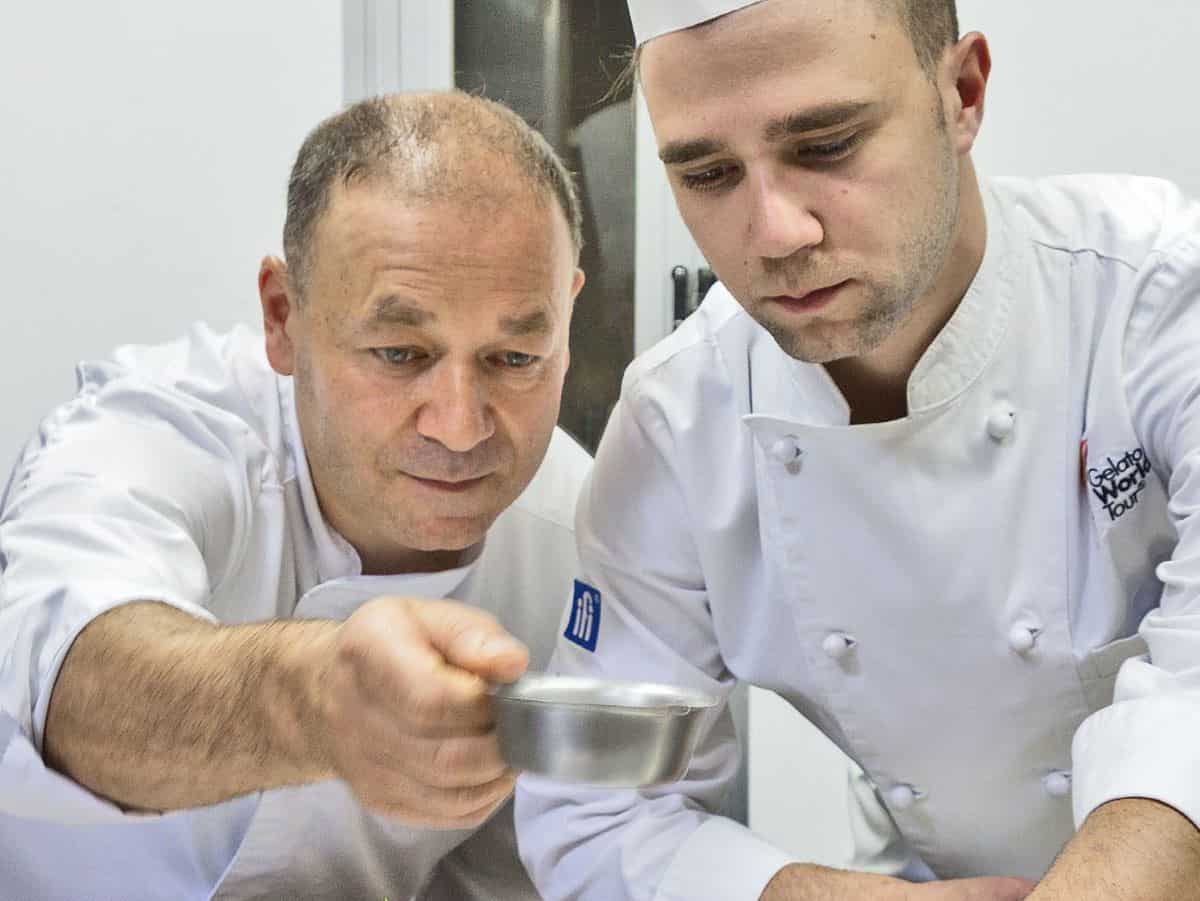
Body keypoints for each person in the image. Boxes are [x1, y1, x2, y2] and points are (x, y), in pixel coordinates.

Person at [515, 1, 1200, 899]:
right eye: (709, 172)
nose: (776, 235)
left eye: (826, 145)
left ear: (962, 93)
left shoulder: (1155, 300)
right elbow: (590, 805)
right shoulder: (680, 425)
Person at [0, 90, 589, 900]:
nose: (460, 426)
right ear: (283, 316)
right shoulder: (157, 430)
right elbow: (77, 680)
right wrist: (316, 700)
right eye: (398, 352)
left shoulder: (578, 525)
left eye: (515, 358)